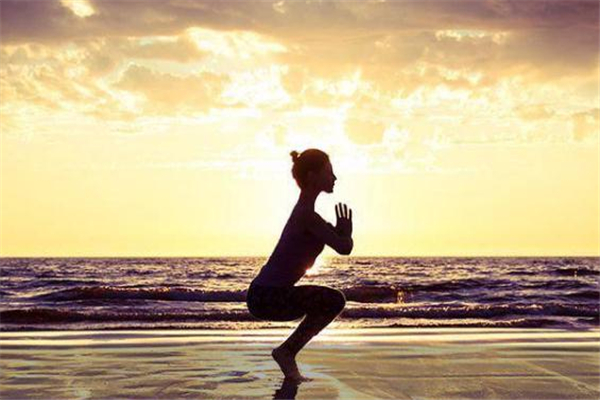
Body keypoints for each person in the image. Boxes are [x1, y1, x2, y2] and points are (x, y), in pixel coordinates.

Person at [246, 148, 354, 382]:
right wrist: (346, 233)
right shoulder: (307, 216)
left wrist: (342, 234)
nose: (334, 177)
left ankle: (287, 351)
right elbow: (344, 247)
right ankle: (287, 351)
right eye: (329, 172)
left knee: (330, 300)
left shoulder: (309, 216)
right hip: (266, 297)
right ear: (312, 176)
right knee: (334, 300)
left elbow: (338, 241)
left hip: (263, 295)